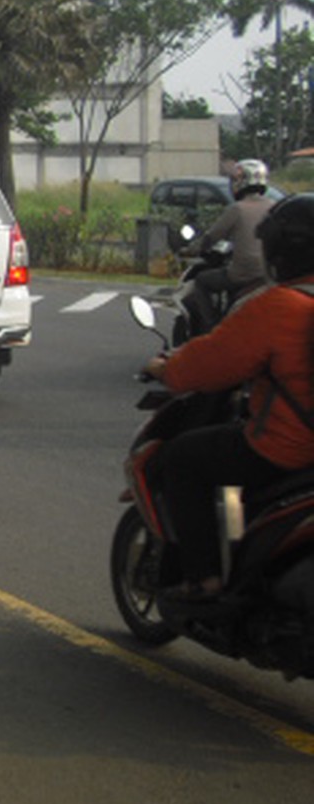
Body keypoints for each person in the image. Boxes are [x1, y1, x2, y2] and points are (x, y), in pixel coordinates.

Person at [143, 193, 314, 600]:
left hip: (287, 451)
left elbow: (206, 364)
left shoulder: (278, 307)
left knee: (183, 459)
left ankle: (205, 579)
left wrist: (167, 368)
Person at [188, 159, 278, 331]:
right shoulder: (274, 207)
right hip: (269, 275)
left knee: (201, 281)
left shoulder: (237, 209)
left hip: (243, 274)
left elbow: (212, 237)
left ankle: (211, 327)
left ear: (240, 182)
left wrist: (192, 249)